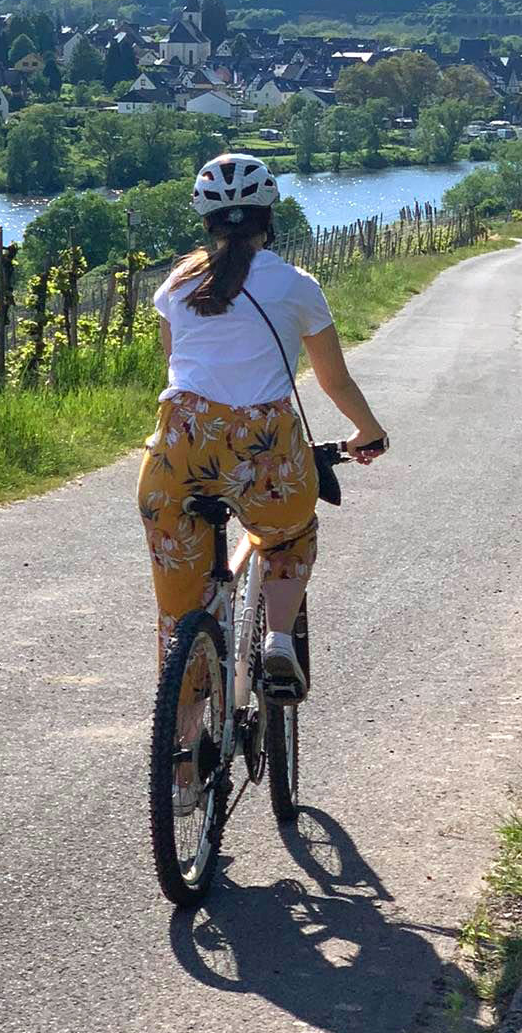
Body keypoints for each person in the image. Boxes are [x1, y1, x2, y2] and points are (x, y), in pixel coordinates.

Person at [138, 153, 388, 703]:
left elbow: (176, 367)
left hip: (178, 452)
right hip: (264, 451)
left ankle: (181, 752)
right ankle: (277, 637)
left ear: (205, 220)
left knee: (180, 610)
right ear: (268, 215)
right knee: (292, 533)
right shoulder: (296, 285)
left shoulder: (177, 284)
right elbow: (335, 382)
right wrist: (369, 430)